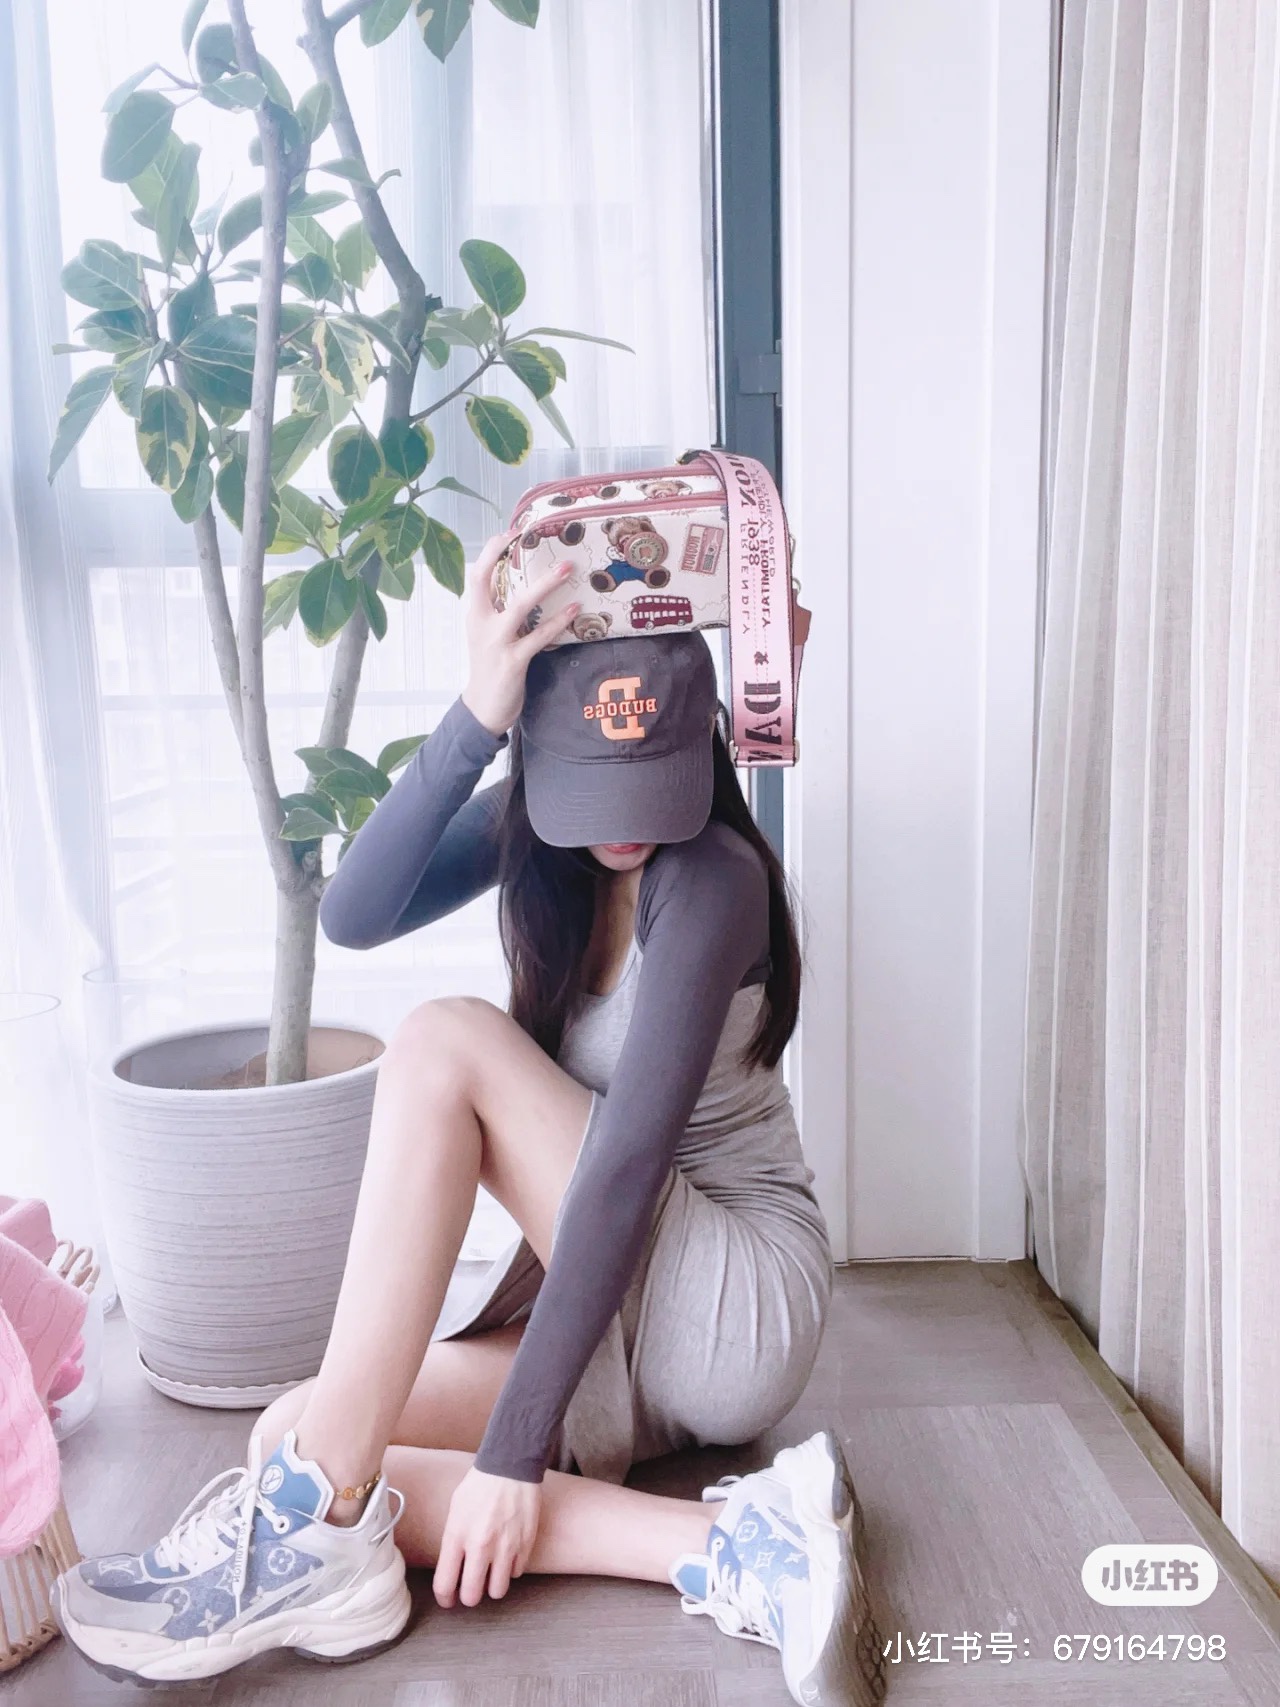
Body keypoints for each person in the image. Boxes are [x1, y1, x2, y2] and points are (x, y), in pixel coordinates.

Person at [54, 530, 884, 1706]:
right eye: (592, 789)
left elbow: (625, 1164)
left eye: (652, 781)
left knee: (443, 1039)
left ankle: (322, 1530)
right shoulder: (534, 822)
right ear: (539, 756)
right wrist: (477, 712)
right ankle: (738, 1545)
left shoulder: (713, 878)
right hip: (606, 1300)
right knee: (300, 1440)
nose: (626, 825)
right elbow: (351, 913)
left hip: (729, 1303)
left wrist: (512, 1453)